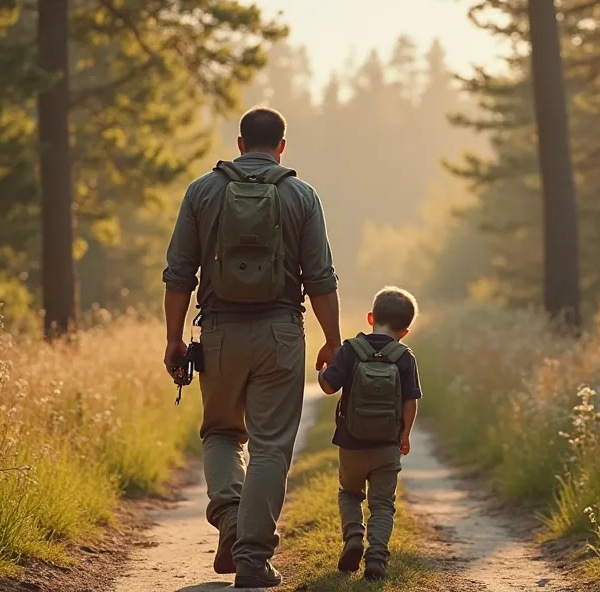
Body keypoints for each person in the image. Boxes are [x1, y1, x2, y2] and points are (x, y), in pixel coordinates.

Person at [162, 106, 342, 589]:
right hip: (281, 334)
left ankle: (230, 518)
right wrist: (333, 340)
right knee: (269, 447)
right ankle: (253, 558)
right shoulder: (301, 195)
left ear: (240, 143)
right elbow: (320, 277)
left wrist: (174, 338)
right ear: (282, 146)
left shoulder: (202, 191)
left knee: (220, 432)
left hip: (219, 332)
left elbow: (179, 273)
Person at [317, 287, 422, 581]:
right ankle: (376, 557)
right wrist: (405, 436)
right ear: (404, 331)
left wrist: (322, 370)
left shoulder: (352, 349)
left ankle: (352, 537)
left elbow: (327, 386)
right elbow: (410, 401)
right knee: (382, 504)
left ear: (371, 317)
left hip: (351, 443)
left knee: (349, 493)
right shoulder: (404, 357)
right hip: (387, 445)